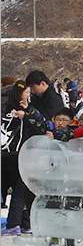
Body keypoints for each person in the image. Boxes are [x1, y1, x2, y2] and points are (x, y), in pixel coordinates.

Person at [1, 80, 49, 235]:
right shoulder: (13, 108)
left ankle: (17, 224)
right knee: (21, 189)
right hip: (16, 155)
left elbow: (41, 124)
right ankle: (20, 224)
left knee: (21, 189)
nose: (29, 95)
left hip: (19, 154)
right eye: (27, 93)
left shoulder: (25, 108)